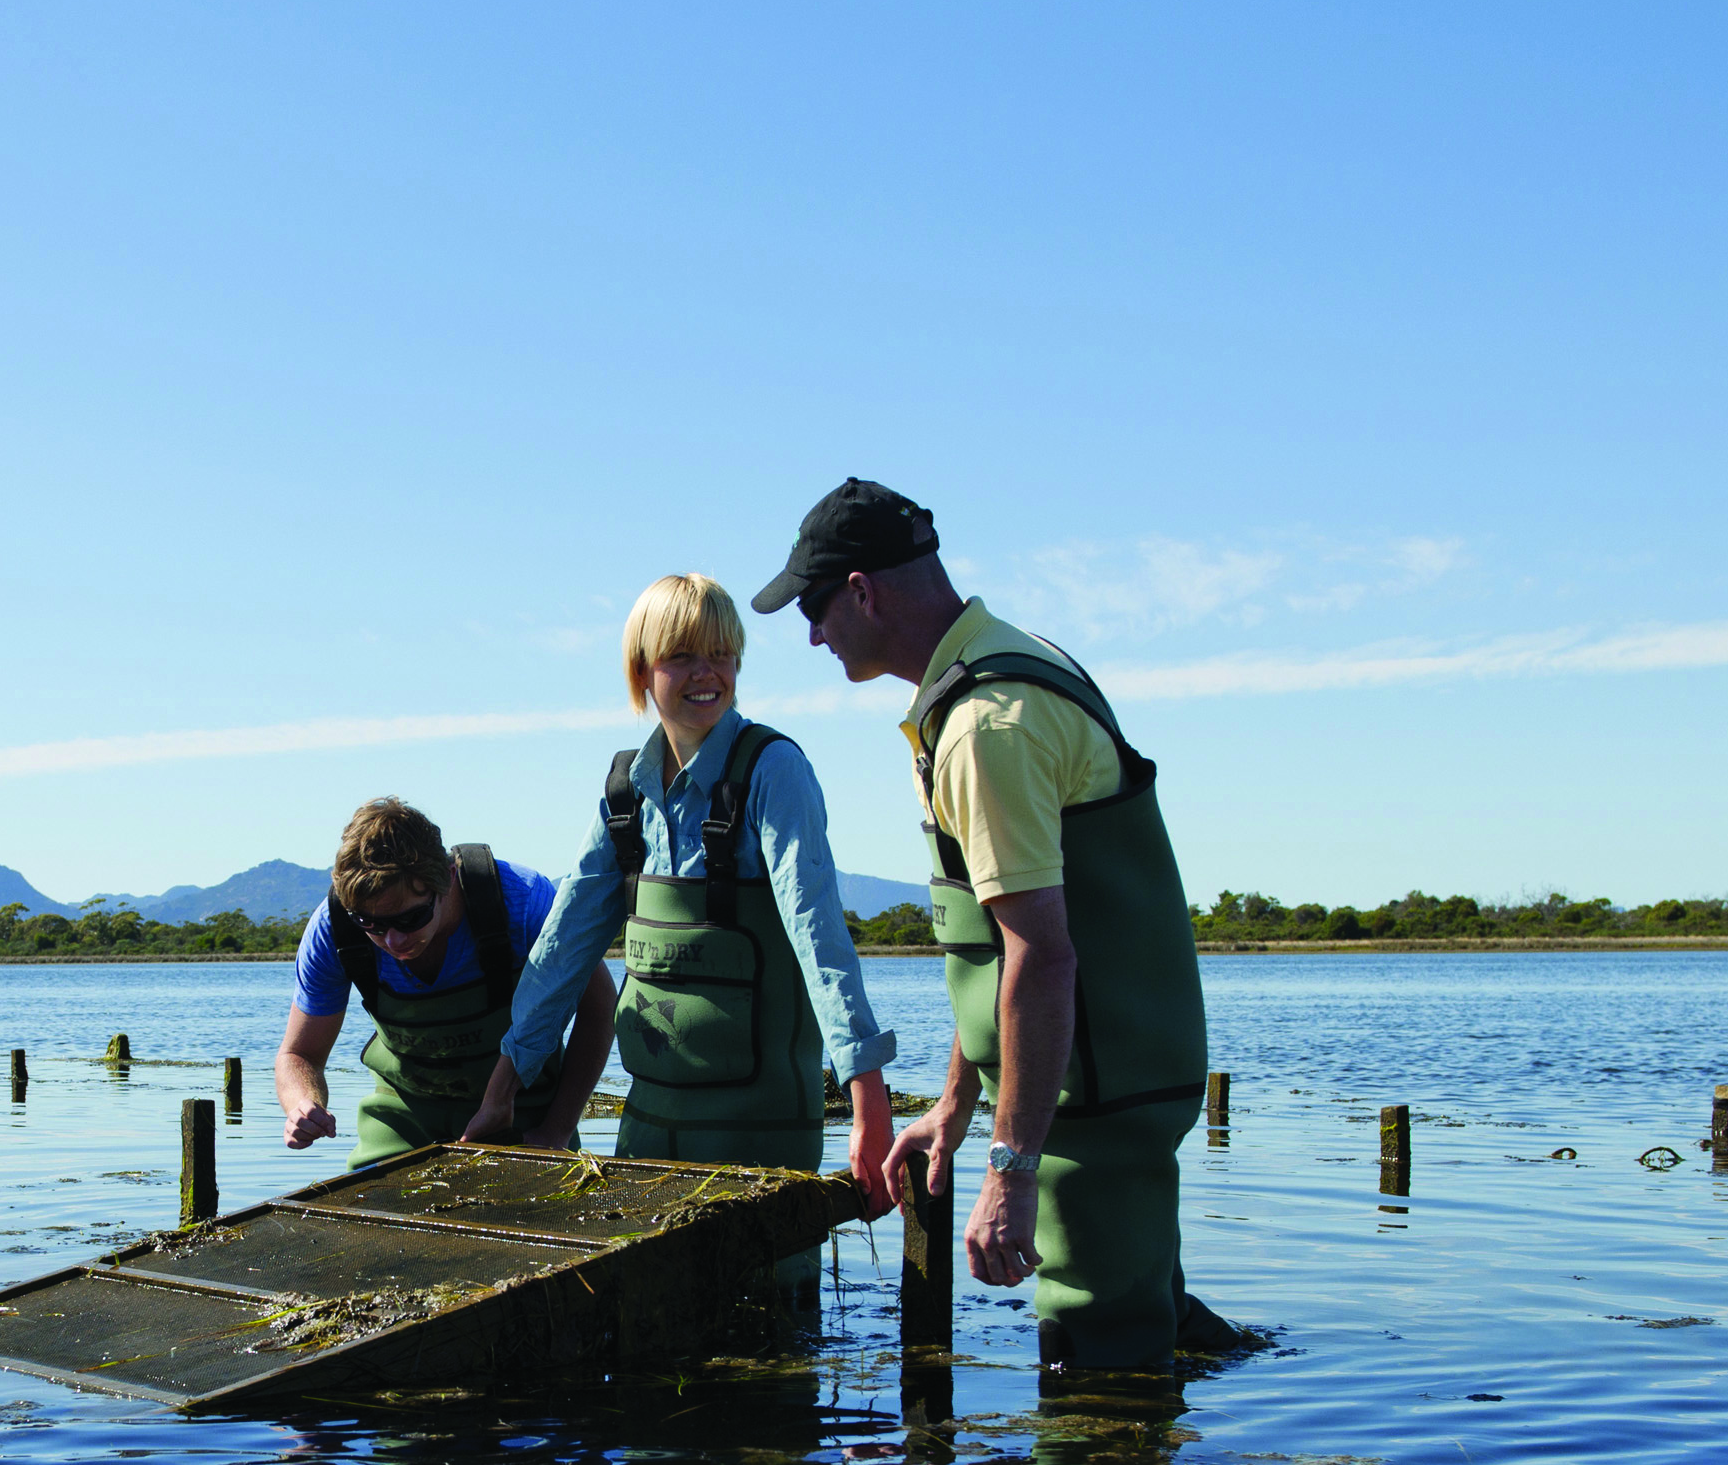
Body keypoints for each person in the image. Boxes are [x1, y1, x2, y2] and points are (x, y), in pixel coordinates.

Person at [753, 477, 1229, 1375]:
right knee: (1143, 1325)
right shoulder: (998, 671)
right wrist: (956, 1104)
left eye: (816, 608)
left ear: (862, 591)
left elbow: (1040, 957)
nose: (813, 634)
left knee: (1098, 1368)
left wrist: (1007, 1172)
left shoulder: (983, 726)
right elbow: (987, 950)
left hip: (1092, 1098)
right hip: (1091, 1088)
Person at [493, 574, 897, 1202]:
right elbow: (562, 949)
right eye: (681, 655)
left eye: (721, 654)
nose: (706, 673)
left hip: (762, 1138)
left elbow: (820, 938)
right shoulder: (625, 794)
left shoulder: (774, 769)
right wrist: (503, 1087)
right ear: (642, 671)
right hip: (647, 1133)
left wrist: (866, 1091)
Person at [277, 796, 613, 1165]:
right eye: (371, 925)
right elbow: (299, 1054)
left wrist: (556, 1132)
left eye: (410, 919)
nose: (393, 941)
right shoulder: (334, 928)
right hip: (402, 1119)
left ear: (448, 879)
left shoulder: (523, 903)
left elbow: (598, 1011)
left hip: (523, 1114)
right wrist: (302, 1104)